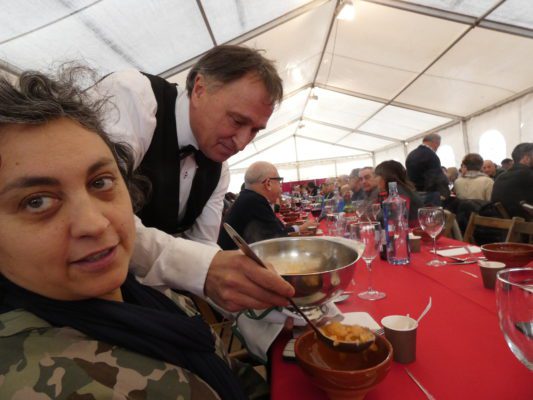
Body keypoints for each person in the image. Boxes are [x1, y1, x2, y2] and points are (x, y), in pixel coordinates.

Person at [0, 68, 265, 399]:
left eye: (100, 182)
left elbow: (205, 254)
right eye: (37, 202)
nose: (96, 224)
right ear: (199, 88)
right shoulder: (135, 95)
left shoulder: (159, 300)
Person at [91, 45, 293, 312]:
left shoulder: (219, 171)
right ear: (199, 89)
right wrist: (205, 269)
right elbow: (103, 219)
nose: (243, 143)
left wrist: (256, 300)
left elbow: (202, 247)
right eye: (236, 121)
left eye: (255, 130)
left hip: (149, 298)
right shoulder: (133, 97)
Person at [218, 162, 314, 249]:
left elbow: (278, 231)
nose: (281, 189)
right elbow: (278, 240)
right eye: (279, 182)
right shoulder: (254, 202)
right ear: (268, 184)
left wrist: (299, 228)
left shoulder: (248, 198)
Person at [374, 160, 423, 227]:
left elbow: (396, 221)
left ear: (385, 177)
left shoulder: (399, 193)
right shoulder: (402, 189)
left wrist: (378, 215)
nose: (374, 179)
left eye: (376, 176)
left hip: (412, 231)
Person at [491, 143, 533, 220]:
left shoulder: (501, 176)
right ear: (526, 158)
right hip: (524, 223)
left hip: (505, 222)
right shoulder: (529, 175)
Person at [405, 133, 450, 204]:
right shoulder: (432, 156)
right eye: (438, 145)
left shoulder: (411, 154)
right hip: (429, 194)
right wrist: (445, 193)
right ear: (436, 143)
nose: (437, 148)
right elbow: (437, 177)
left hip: (414, 194)